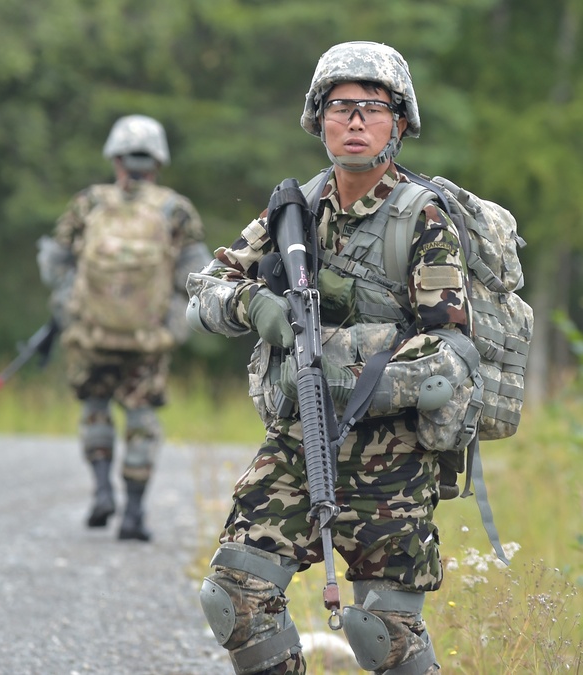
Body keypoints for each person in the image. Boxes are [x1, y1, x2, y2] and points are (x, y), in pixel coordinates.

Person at [187, 41, 481, 674]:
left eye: (372, 108)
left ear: (399, 124)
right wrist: (256, 308)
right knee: (235, 599)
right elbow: (202, 296)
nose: (354, 121)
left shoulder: (422, 218)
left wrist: (363, 376)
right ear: (317, 118)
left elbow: (452, 352)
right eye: (340, 106)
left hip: (392, 460)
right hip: (299, 442)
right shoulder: (295, 207)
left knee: (384, 636)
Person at [38, 114, 211, 542]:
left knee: (94, 406)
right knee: (141, 417)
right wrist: (173, 322)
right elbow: (197, 274)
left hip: (90, 334)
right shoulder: (175, 209)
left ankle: (101, 491)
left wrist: (70, 307)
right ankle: (133, 513)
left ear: (115, 158)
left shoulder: (89, 203)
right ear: (158, 161)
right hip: (147, 340)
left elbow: (54, 262)